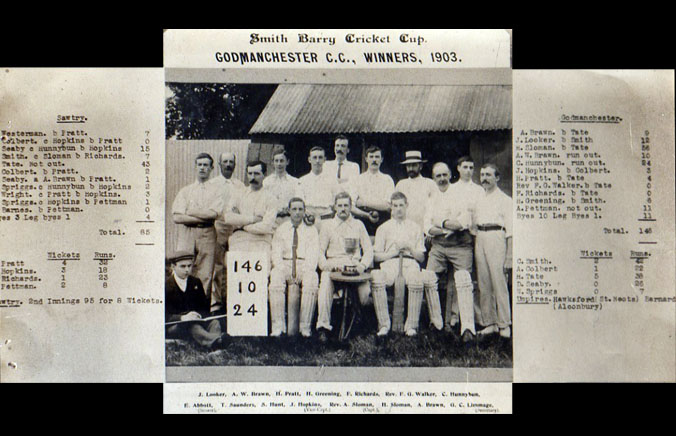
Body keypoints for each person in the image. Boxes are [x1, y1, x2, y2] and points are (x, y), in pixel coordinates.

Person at [372, 192, 441, 337]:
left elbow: (421, 258)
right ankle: (384, 325)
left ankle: (411, 326)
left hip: (410, 263)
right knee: (376, 277)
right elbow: (377, 256)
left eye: (401, 205)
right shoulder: (383, 228)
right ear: (391, 207)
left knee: (416, 279)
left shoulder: (415, 227)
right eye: (395, 206)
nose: (398, 209)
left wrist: (409, 247)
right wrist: (394, 252)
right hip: (390, 263)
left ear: (406, 206)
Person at [424, 162, 475, 342]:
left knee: (463, 280)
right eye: (438, 176)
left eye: (445, 175)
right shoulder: (431, 198)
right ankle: (436, 323)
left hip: (460, 244)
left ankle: (467, 327)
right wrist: (447, 227)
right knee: (429, 277)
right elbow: (427, 227)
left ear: (450, 175)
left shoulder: (460, 194)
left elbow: (463, 222)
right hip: (439, 246)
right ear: (433, 178)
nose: (442, 179)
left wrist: (442, 222)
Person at [316, 192, 373, 342]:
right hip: (334, 264)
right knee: (325, 286)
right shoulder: (327, 225)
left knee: (365, 293)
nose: (343, 209)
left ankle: (361, 325)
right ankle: (323, 326)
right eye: (339, 205)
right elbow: (320, 251)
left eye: (346, 205)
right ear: (335, 207)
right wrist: (325, 266)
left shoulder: (358, 225)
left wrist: (362, 265)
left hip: (354, 266)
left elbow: (368, 250)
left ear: (350, 207)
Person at [171, 152, 224, 303]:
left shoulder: (216, 191)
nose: (202, 168)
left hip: (207, 232)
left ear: (211, 168)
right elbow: (177, 217)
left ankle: (201, 308)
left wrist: (192, 212)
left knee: (205, 272)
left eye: (206, 165)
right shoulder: (186, 191)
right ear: (195, 167)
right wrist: (200, 215)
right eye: (199, 165)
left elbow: (214, 214)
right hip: (187, 232)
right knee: (184, 267)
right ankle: (183, 305)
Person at [444, 155, 486, 331]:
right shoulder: (451, 190)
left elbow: (480, 213)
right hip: (456, 236)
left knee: (473, 277)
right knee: (456, 276)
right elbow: (449, 212)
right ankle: (454, 315)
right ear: (458, 169)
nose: (468, 171)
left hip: (474, 235)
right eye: (465, 167)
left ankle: (476, 315)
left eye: (471, 167)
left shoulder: (479, 190)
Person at [269, 198, 320, 337]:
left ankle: (305, 328)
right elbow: (276, 252)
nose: (297, 213)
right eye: (294, 209)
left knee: (312, 278)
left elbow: (313, 254)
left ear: (304, 211)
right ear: (289, 211)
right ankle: (278, 327)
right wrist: (283, 269)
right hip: (285, 263)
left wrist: (303, 270)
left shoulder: (311, 230)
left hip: (304, 264)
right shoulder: (282, 229)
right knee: (275, 276)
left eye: (300, 209)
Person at [474, 163, 512, 339]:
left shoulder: (505, 200)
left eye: (488, 175)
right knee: (484, 282)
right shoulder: (479, 198)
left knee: (499, 282)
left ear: (497, 178)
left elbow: (511, 231)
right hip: (480, 237)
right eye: (482, 175)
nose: (484, 178)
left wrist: (509, 256)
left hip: (496, 237)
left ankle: (504, 324)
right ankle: (489, 323)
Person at [223, 160, 278, 270]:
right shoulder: (238, 194)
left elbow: (266, 226)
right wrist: (253, 219)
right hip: (240, 239)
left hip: (261, 241)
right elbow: (228, 218)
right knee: (236, 274)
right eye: (250, 173)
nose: (253, 177)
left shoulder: (271, 198)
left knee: (261, 275)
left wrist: (242, 225)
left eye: (257, 174)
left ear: (264, 175)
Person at [210, 151, 246, 313]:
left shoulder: (240, 185)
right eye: (225, 161)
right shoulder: (213, 184)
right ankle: (216, 302)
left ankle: (233, 300)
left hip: (235, 229)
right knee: (217, 265)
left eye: (231, 162)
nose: (228, 164)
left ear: (235, 165)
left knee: (233, 264)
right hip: (218, 226)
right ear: (219, 164)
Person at [165, 250, 224, 348]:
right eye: (182, 266)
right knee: (191, 326)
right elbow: (163, 315)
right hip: (176, 326)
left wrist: (198, 315)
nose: (187, 270)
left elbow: (204, 308)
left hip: (196, 321)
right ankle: (216, 342)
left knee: (214, 323)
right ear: (173, 266)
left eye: (189, 266)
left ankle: (215, 343)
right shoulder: (166, 286)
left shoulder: (195, 283)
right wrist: (183, 318)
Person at [350, 145, 395, 235]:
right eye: (371, 157)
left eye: (377, 157)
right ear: (366, 159)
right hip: (362, 219)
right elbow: (351, 206)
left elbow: (388, 206)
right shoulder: (358, 179)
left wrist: (364, 203)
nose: (374, 160)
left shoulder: (387, 179)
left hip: (382, 220)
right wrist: (366, 215)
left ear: (381, 159)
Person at [297, 146, 340, 233]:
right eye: (314, 157)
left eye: (320, 157)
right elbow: (299, 202)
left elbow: (337, 200)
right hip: (308, 220)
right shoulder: (302, 181)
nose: (317, 161)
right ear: (309, 159)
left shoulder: (332, 180)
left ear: (324, 160)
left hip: (327, 219)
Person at [394, 150, 437, 232]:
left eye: (414, 165)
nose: (410, 168)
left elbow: (435, 209)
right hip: (405, 229)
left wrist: (430, 231)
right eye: (408, 166)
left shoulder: (430, 183)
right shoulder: (401, 184)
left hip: (424, 229)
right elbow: (394, 210)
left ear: (420, 166)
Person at [262, 148, 300, 218]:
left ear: (287, 162)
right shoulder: (267, 182)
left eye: (282, 161)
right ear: (273, 162)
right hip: (271, 218)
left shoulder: (295, 182)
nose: (279, 164)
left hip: (289, 218)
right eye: (276, 161)